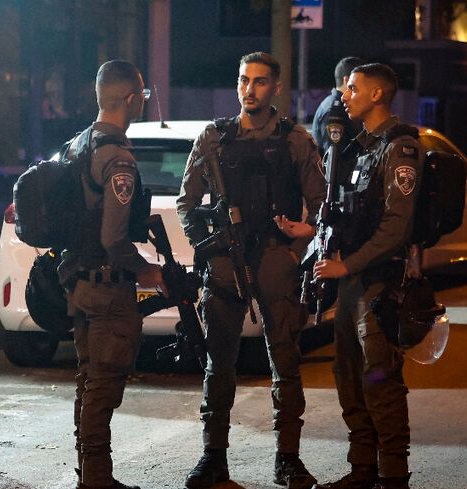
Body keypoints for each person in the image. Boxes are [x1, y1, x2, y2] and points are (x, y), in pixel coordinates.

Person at [176, 51, 326, 489]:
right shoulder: (213, 138)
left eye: (260, 81)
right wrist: (207, 246)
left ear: (275, 87)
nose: (250, 89)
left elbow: (321, 208)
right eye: (244, 80)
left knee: (286, 362)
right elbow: (187, 202)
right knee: (218, 363)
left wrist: (297, 249)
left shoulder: (295, 140)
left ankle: (288, 458)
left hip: (276, 260)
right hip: (226, 261)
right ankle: (213, 458)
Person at [312, 63, 424, 489]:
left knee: (380, 378)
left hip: (380, 283)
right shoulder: (358, 147)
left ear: (377, 94)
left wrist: (348, 265)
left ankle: (393, 474)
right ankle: (362, 468)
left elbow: (396, 227)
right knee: (349, 373)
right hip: (353, 282)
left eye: (353, 89)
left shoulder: (401, 148)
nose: (344, 96)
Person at [56, 59, 164, 489]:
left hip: (78, 284)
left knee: (88, 380)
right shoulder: (117, 158)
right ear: (131, 98)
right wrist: (147, 271)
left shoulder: (77, 145)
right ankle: (97, 480)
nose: (144, 101)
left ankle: (90, 474)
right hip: (107, 290)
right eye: (144, 95)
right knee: (102, 387)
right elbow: (114, 238)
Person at [312, 57, 366, 157]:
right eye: (364, 82)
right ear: (347, 80)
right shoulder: (335, 112)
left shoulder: (340, 107)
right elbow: (334, 159)